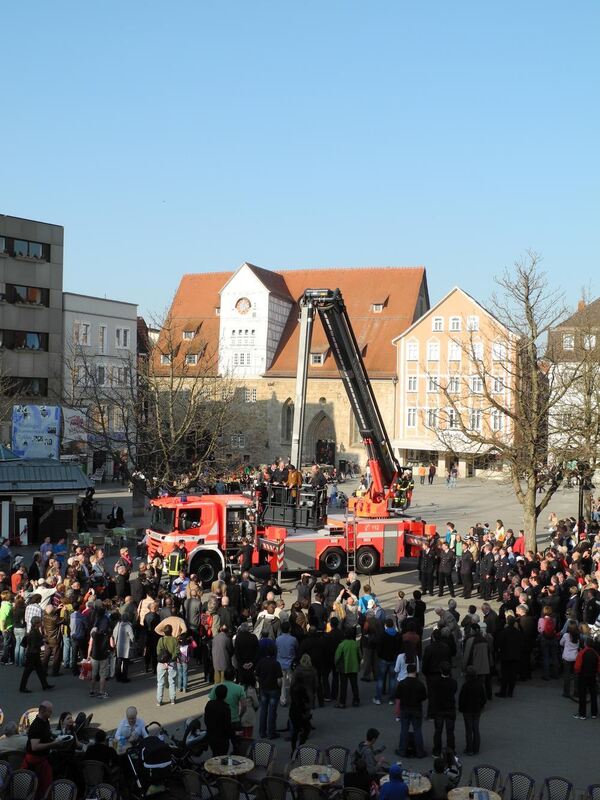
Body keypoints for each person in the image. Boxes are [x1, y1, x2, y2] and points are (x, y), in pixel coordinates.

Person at [395, 662, 427, 758]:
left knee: (404, 729)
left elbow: (398, 696)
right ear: (415, 672)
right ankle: (420, 752)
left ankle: (402, 751)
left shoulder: (402, 683)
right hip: (416, 709)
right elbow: (424, 697)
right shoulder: (420, 684)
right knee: (417, 730)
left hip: (405, 709)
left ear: (407, 671)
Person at [20, 617, 54, 693]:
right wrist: (43, 641)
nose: (41, 623)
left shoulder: (34, 631)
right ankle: (22, 687)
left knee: (40, 670)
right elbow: (34, 644)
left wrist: (42, 637)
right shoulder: (34, 632)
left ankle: (45, 685)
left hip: (34, 653)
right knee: (27, 671)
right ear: (37, 624)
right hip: (32, 654)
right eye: (39, 622)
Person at [256, 641, 283, 739]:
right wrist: (279, 687)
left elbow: (256, 675)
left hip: (264, 688)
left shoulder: (261, 662)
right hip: (273, 689)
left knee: (263, 710)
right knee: (272, 711)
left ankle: (262, 732)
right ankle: (271, 732)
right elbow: (279, 680)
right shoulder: (276, 663)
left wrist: (261, 682)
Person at [429, 661, 457, 757]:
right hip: (450, 709)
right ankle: (451, 750)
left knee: (438, 731)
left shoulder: (436, 682)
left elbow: (433, 696)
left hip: (439, 709)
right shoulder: (453, 682)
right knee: (450, 732)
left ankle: (437, 750)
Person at [458, 665, 486, 755]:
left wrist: (461, 709)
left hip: (467, 711)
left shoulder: (465, 686)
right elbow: (484, 698)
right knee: (476, 729)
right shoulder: (480, 685)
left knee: (469, 730)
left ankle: (469, 749)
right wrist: (481, 706)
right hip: (477, 710)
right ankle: (476, 748)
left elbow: (461, 699)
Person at [573, 636, 600, 720]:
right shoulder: (596, 654)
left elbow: (577, 667)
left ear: (585, 644)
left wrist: (577, 672)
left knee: (582, 695)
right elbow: (599, 667)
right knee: (593, 694)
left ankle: (582, 714)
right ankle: (594, 713)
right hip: (592, 676)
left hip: (583, 676)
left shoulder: (582, 652)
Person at [335, 628, 361, 708]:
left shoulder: (342, 644)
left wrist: (336, 665)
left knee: (343, 686)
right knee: (354, 685)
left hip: (344, 668)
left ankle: (342, 702)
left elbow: (337, 657)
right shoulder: (355, 644)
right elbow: (360, 656)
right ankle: (356, 701)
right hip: (354, 667)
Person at [204, 683, 233, 756]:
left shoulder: (209, 704)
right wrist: (230, 734)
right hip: (222, 738)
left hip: (212, 735)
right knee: (222, 756)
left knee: (215, 754)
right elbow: (227, 725)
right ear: (225, 695)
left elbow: (206, 719)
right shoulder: (225, 708)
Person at [156, 623, 179, 706]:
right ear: (171, 631)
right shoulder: (174, 640)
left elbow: (158, 652)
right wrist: (169, 661)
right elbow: (177, 652)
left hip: (161, 663)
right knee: (172, 681)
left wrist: (164, 662)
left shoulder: (160, 640)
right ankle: (172, 699)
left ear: (164, 632)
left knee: (160, 682)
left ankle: (159, 700)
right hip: (171, 663)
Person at [111, 614, 134, 683]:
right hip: (126, 647)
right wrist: (133, 642)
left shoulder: (118, 625)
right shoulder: (128, 626)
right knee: (125, 663)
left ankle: (118, 677)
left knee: (118, 662)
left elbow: (114, 634)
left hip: (118, 646)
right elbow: (132, 636)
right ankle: (124, 678)